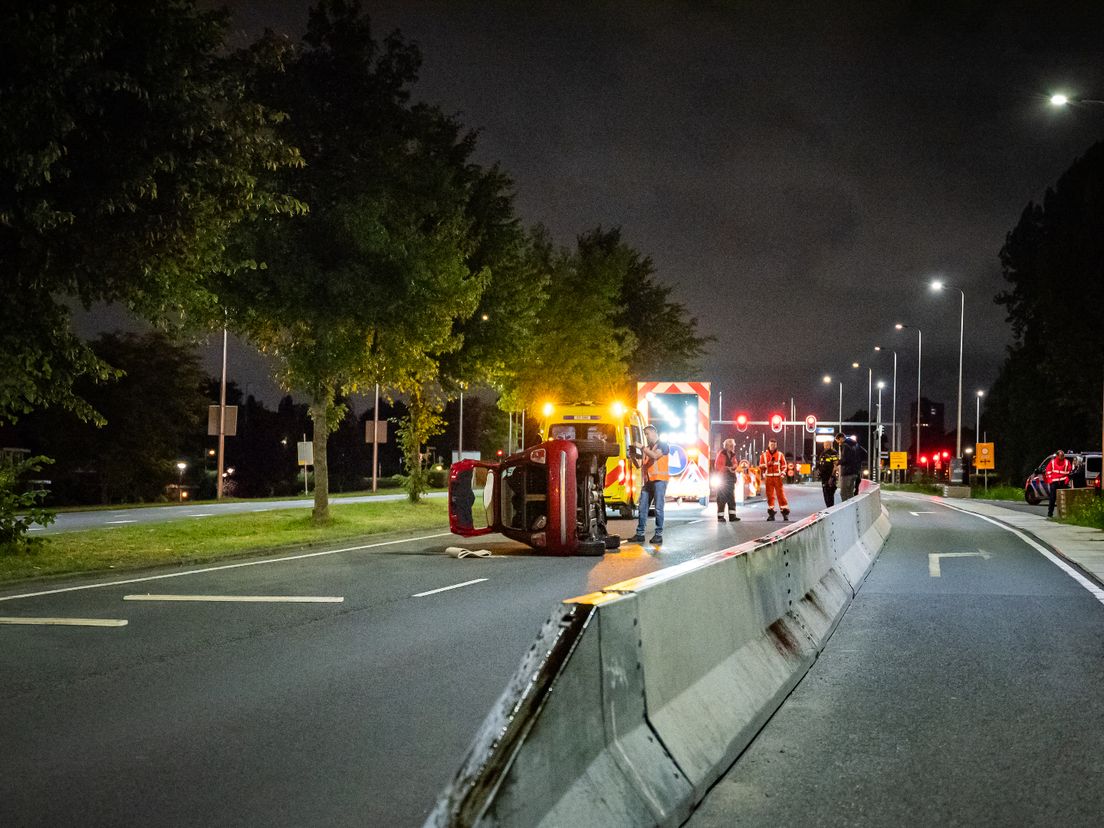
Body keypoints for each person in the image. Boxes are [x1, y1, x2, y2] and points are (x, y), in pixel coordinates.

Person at [629, 424, 669, 544]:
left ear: (654, 432)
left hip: (660, 480)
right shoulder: (647, 448)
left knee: (658, 508)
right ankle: (640, 533)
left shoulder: (663, 445)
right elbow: (640, 466)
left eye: (647, 434)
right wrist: (632, 457)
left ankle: (658, 534)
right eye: (645, 434)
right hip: (648, 481)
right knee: (642, 508)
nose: (646, 436)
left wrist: (642, 448)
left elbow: (655, 456)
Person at [758, 437, 790, 521]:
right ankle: (771, 513)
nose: (772, 446)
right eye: (771, 445)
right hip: (768, 477)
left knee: (781, 495)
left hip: (778, 477)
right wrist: (768, 464)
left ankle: (785, 513)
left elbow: (784, 465)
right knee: (770, 496)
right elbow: (760, 466)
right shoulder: (764, 455)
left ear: (776, 446)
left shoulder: (780, 454)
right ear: (769, 445)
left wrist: (782, 474)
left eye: (774, 445)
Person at [714, 438, 741, 522]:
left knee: (731, 499)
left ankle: (732, 516)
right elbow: (717, 466)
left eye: (733, 445)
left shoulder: (733, 455)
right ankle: (720, 517)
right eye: (730, 445)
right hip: (723, 479)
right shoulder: (721, 454)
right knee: (721, 498)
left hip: (730, 479)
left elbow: (735, 463)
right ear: (726, 446)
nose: (732, 447)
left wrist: (735, 466)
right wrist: (727, 468)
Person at [1044, 449, 1073, 518]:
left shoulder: (1067, 462)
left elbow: (1070, 472)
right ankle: (1050, 513)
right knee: (1052, 498)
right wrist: (1050, 480)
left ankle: (1064, 515)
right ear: (1057, 455)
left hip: (1063, 482)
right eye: (1061, 455)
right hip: (1054, 482)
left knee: (1064, 498)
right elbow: (1048, 472)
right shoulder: (1052, 462)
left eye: (1063, 455)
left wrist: (1067, 479)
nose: (1062, 457)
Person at [838, 433, 867, 501]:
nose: (839, 443)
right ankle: (852, 507)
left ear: (841, 438)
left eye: (838, 441)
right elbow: (865, 453)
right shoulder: (856, 444)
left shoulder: (845, 445)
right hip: (855, 472)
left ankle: (846, 509)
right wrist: (857, 461)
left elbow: (845, 459)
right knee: (850, 492)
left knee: (843, 493)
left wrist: (838, 462)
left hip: (846, 472)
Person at [816, 439, 840, 507]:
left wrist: (832, 476)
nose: (825, 446)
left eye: (827, 445)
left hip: (830, 476)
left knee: (830, 494)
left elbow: (836, 465)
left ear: (830, 445)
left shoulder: (833, 453)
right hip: (823, 476)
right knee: (825, 494)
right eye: (824, 445)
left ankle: (830, 508)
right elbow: (821, 464)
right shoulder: (822, 453)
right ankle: (828, 508)